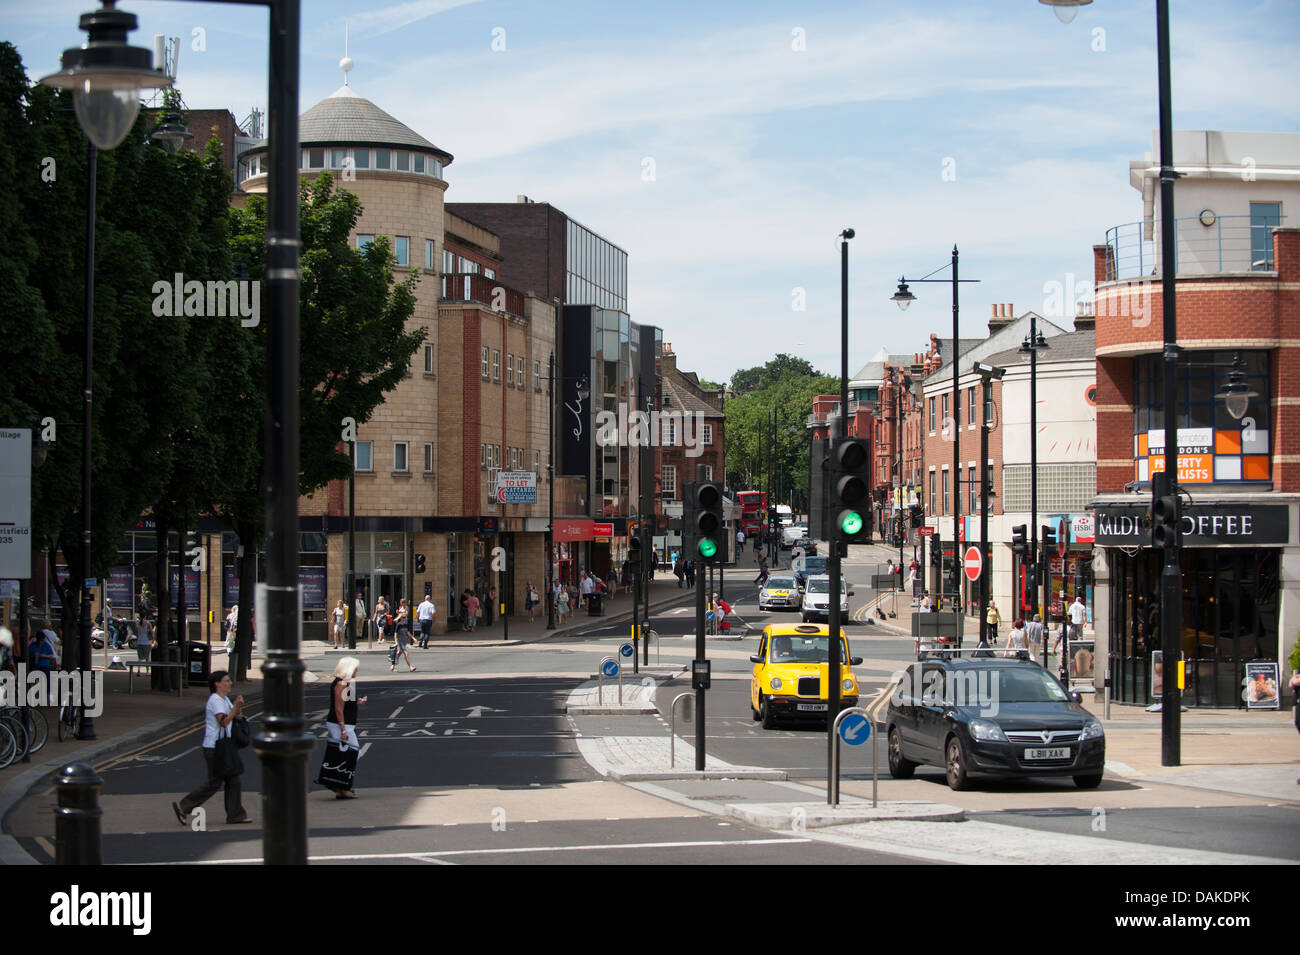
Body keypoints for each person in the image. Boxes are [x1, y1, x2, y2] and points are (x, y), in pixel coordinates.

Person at [173, 670, 250, 826]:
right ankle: (184, 807)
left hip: (224, 746)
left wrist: (238, 708)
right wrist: (235, 707)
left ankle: (235, 815)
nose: (230, 683)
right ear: (217, 684)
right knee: (215, 782)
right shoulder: (215, 700)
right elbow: (223, 722)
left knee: (233, 780)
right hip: (214, 747)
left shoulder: (224, 699)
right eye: (226, 681)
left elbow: (236, 717)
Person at [320, 656, 366, 798]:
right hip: (340, 723)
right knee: (352, 753)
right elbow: (338, 708)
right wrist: (343, 730)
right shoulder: (341, 683)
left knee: (347, 754)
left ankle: (339, 785)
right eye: (355, 669)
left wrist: (357, 702)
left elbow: (348, 702)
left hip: (348, 723)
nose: (356, 672)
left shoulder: (349, 682)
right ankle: (340, 785)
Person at [390, 599, 415, 672]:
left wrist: (413, 638)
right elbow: (395, 634)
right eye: (403, 617)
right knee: (406, 653)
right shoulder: (398, 625)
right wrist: (396, 642)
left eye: (405, 617)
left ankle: (392, 666)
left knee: (398, 654)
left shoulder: (405, 625)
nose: (404, 618)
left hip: (404, 641)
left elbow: (407, 632)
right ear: (400, 618)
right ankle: (410, 667)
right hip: (400, 641)